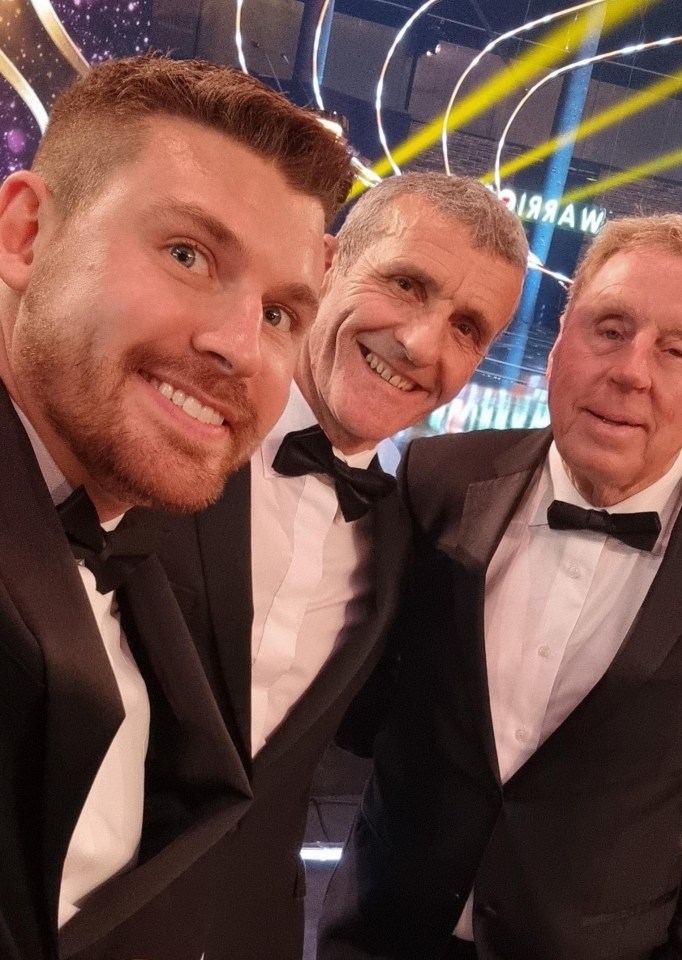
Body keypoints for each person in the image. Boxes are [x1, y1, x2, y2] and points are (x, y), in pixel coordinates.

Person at [319, 213, 682, 960]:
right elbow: (358, 702)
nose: (630, 370)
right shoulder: (435, 477)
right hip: (379, 929)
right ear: (559, 342)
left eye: (676, 350)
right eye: (608, 329)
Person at [77, 171, 529, 960]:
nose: (421, 343)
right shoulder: (155, 430)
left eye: (466, 327)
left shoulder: (402, 540)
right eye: (404, 283)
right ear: (326, 266)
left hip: (248, 928)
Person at [0, 54, 353, 960]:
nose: (240, 346)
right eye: (189, 254)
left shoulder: (139, 546)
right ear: (26, 233)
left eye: (281, 313)